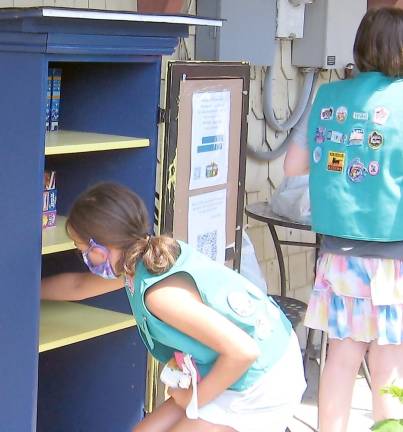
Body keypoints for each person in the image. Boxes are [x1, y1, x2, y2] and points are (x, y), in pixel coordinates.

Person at [41, 182, 306, 432]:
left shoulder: (160, 295)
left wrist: (193, 400)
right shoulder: (140, 263)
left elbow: (243, 352)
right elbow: (78, 286)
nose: (84, 258)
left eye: (83, 249)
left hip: (262, 379)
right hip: (227, 370)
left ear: (105, 245)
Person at [284, 7, 403, 432]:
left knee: (341, 356)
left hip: (339, 253)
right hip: (395, 255)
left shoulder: (328, 97)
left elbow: (293, 165)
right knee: (389, 357)